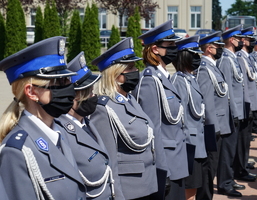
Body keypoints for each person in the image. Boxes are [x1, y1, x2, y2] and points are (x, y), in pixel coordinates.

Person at [0, 36, 86, 199]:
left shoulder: (58, 131)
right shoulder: (16, 152)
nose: (68, 88)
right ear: (31, 92)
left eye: (67, 80)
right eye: (58, 82)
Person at [90, 37, 158, 200]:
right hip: (129, 191)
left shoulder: (130, 99)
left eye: (135, 66)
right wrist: (117, 196)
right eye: (130, 67)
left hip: (147, 184)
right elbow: (109, 162)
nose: (136, 71)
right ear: (115, 74)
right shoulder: (104, 108)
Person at [133, 19, 189, 200]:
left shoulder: (164, 77)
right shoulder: (151, 80)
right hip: (167, 165)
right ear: (155, 49)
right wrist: (160, 170)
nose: (175, 48)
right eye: (170, 44)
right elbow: (153, 129)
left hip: (177, 160)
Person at [57, 52, 124, 200]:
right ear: (73, 96)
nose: (94, 96)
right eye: (89, 92)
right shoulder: (61, 131)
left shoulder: (87, 123)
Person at [194, 31, 232, 200]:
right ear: (209, 48)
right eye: (218, 47)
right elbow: (207, 102)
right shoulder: (204, 69)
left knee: (212, 169)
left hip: (219, 124)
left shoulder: (211, 67)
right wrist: (213, 127)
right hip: (213, 128)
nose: (221, 49)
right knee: (209, 170)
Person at [170, 35, 207, 200]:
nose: (197, 58)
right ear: (184, 56)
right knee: (189, 191)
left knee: (194, 188)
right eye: (193, 55)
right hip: (189, 144)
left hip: (197, 142)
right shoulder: (179, 80)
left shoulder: (190, 78)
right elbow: (180, 116)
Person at [216, 25, 246, 197]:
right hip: (231, 113)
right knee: (227, 150)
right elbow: (226, 91)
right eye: (238, 38)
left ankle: (229, 178)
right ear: (230, 40)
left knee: (232, 148)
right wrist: (234, 113)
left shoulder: (232, 58)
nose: (241, 41)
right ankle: (224, 183)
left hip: (236, 111)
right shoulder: (226, 60)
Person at [235, 26, 257, 181]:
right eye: (250, 40)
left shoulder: (247, 57)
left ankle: (243, 164)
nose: (252, 43)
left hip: (251, 103)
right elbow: (242, 84)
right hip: (246, 104)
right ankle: (240, 169)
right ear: (243, 41)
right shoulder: (240, 57)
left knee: (246, 140)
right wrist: (247, 105)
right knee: (242, 141)